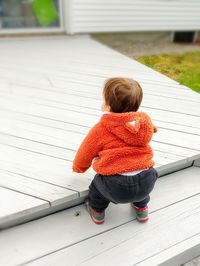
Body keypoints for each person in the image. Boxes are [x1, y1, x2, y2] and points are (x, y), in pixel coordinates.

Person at [72, 77, 158, 224]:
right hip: (147, 179)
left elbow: (86, 151)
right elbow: (151, 130)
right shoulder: (144, 124)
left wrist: (79, 167)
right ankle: (142, 209)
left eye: (104, 100)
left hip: (115, 185)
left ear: (108, 106)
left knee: (97, 188)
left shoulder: (102, 128)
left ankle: (97, 211)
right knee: (141, 192)